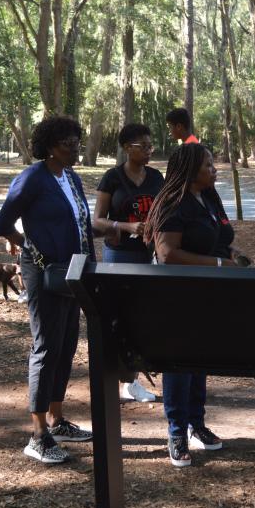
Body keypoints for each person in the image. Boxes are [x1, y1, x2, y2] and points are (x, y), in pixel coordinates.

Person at [0, 116, 96, 464]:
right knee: (46, 346)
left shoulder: (71, 177)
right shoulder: (32, 178)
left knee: (67, 344)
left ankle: (57, 419)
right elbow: (2, 222)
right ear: (51, 146)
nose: (75, 147)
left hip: (74, 272)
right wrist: (27, 246)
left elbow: (80, 223)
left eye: (76, 141)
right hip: (43, 273)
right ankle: (38, 433)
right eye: (68, 142)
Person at [144, 143, 245, 467]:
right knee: (179, 362)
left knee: (199, 358)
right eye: (208, 166)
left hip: (206, 294)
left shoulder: (210, 197)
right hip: (176, 295)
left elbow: (219, 239)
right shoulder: (173, 203)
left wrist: (231, 255)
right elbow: (167, 253)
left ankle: (196, 424)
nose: (214, 170)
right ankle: (176, 431)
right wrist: (217, 264)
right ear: (191, 171)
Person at [92, 123, 163, 403]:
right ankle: (113, 376)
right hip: (118, 256)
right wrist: (125, 226)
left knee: (140, 317)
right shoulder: (112, 178)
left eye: (150, 146)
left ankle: (132, 381)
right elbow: (97, 220)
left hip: (148, 255)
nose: (148, 151)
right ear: (126, 148)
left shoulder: (157, 177)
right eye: (142, 146)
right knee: (117, 316)